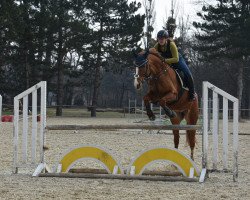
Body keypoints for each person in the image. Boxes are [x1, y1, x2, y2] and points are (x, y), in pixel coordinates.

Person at [154, 30, 195, 101]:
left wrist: (164, 60)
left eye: (162, 39)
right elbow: (152, 54)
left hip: (178, 61)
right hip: (167, 62)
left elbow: (176, 59)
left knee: (187, 73)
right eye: (159, 39)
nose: (160, 40)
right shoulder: (156, 46)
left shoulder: (171, 45)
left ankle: (192, 94)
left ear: (166, 39)